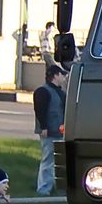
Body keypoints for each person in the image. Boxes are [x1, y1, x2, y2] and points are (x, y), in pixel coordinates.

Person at [34, 64, 68, 195]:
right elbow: (40, 110)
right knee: (48, 160)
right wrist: (43, 127)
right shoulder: (43, 91)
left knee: (58, 161)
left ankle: (57, 187)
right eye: (61, 75)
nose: (63, 77)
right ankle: (43, 189)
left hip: (59, 131)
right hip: (49, 132)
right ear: (55, 76)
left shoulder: (60, 91)